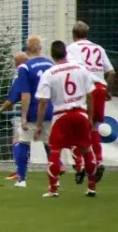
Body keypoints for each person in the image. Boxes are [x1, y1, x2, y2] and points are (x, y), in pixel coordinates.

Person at [35, 40, 98, 197]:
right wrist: (89, 117)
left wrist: (39, 125)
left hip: (61, 115)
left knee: (55, 150)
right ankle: (91, 187)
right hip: (80, 113)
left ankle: (53, 189)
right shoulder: (80, 69)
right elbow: (90, 95)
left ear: (52, 54)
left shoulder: (50, 73)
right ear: (66, 53)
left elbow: (43, 101)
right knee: (86, 149)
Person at [66, 21, 115, 182]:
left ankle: (80, 165)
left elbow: (72, 69)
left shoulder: (72, 48)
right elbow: (112, 72)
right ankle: (98, 161)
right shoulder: (98, 48)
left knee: (76, 126)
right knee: (94, 127)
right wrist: (107, 89)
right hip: (99, 88)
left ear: (74, 35)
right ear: (87, 34)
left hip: (84, 88)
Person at [12, 35, 57, 188]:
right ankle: (55, 179)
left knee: (22, 141)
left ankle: (22, 179)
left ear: (27, 49)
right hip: (50, 110)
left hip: (33, 110)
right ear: (40, 48)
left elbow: (25, 95)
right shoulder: (50, 63)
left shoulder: (25, 67)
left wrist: (24, 117)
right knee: (50, 144)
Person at [0, 52, 28, 180]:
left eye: (15, 61)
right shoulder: (35, 71)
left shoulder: (20, 75)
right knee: (46, 142)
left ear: (18, 62)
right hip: (44, 109)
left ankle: (20, 172)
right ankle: (60, 165)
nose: (14, 64)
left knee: (18, 141)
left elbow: (13, 98)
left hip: (28, 111)